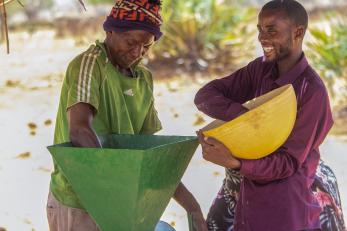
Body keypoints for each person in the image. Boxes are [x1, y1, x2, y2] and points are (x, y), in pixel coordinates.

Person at [47, 1, 207, 230]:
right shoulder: (90, 64)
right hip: (80, 200)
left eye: (146, 47)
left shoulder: (143, 78)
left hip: (124, 203)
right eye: (131, 42)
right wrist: (117, 192)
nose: (137, 52)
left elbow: (150, 158)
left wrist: (192, 206)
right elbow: (79, 130)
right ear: (110, 30)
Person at [195, 0, 338, 230]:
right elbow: (205, 95)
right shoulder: (259, 70)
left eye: (271, 30)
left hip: (285, 207)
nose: (262, 38)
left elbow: (287, 163)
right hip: (246, 197)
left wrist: (234, 162)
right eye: (260, 29)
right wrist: (246, 117)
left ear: (298, 32)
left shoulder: (312, 91)